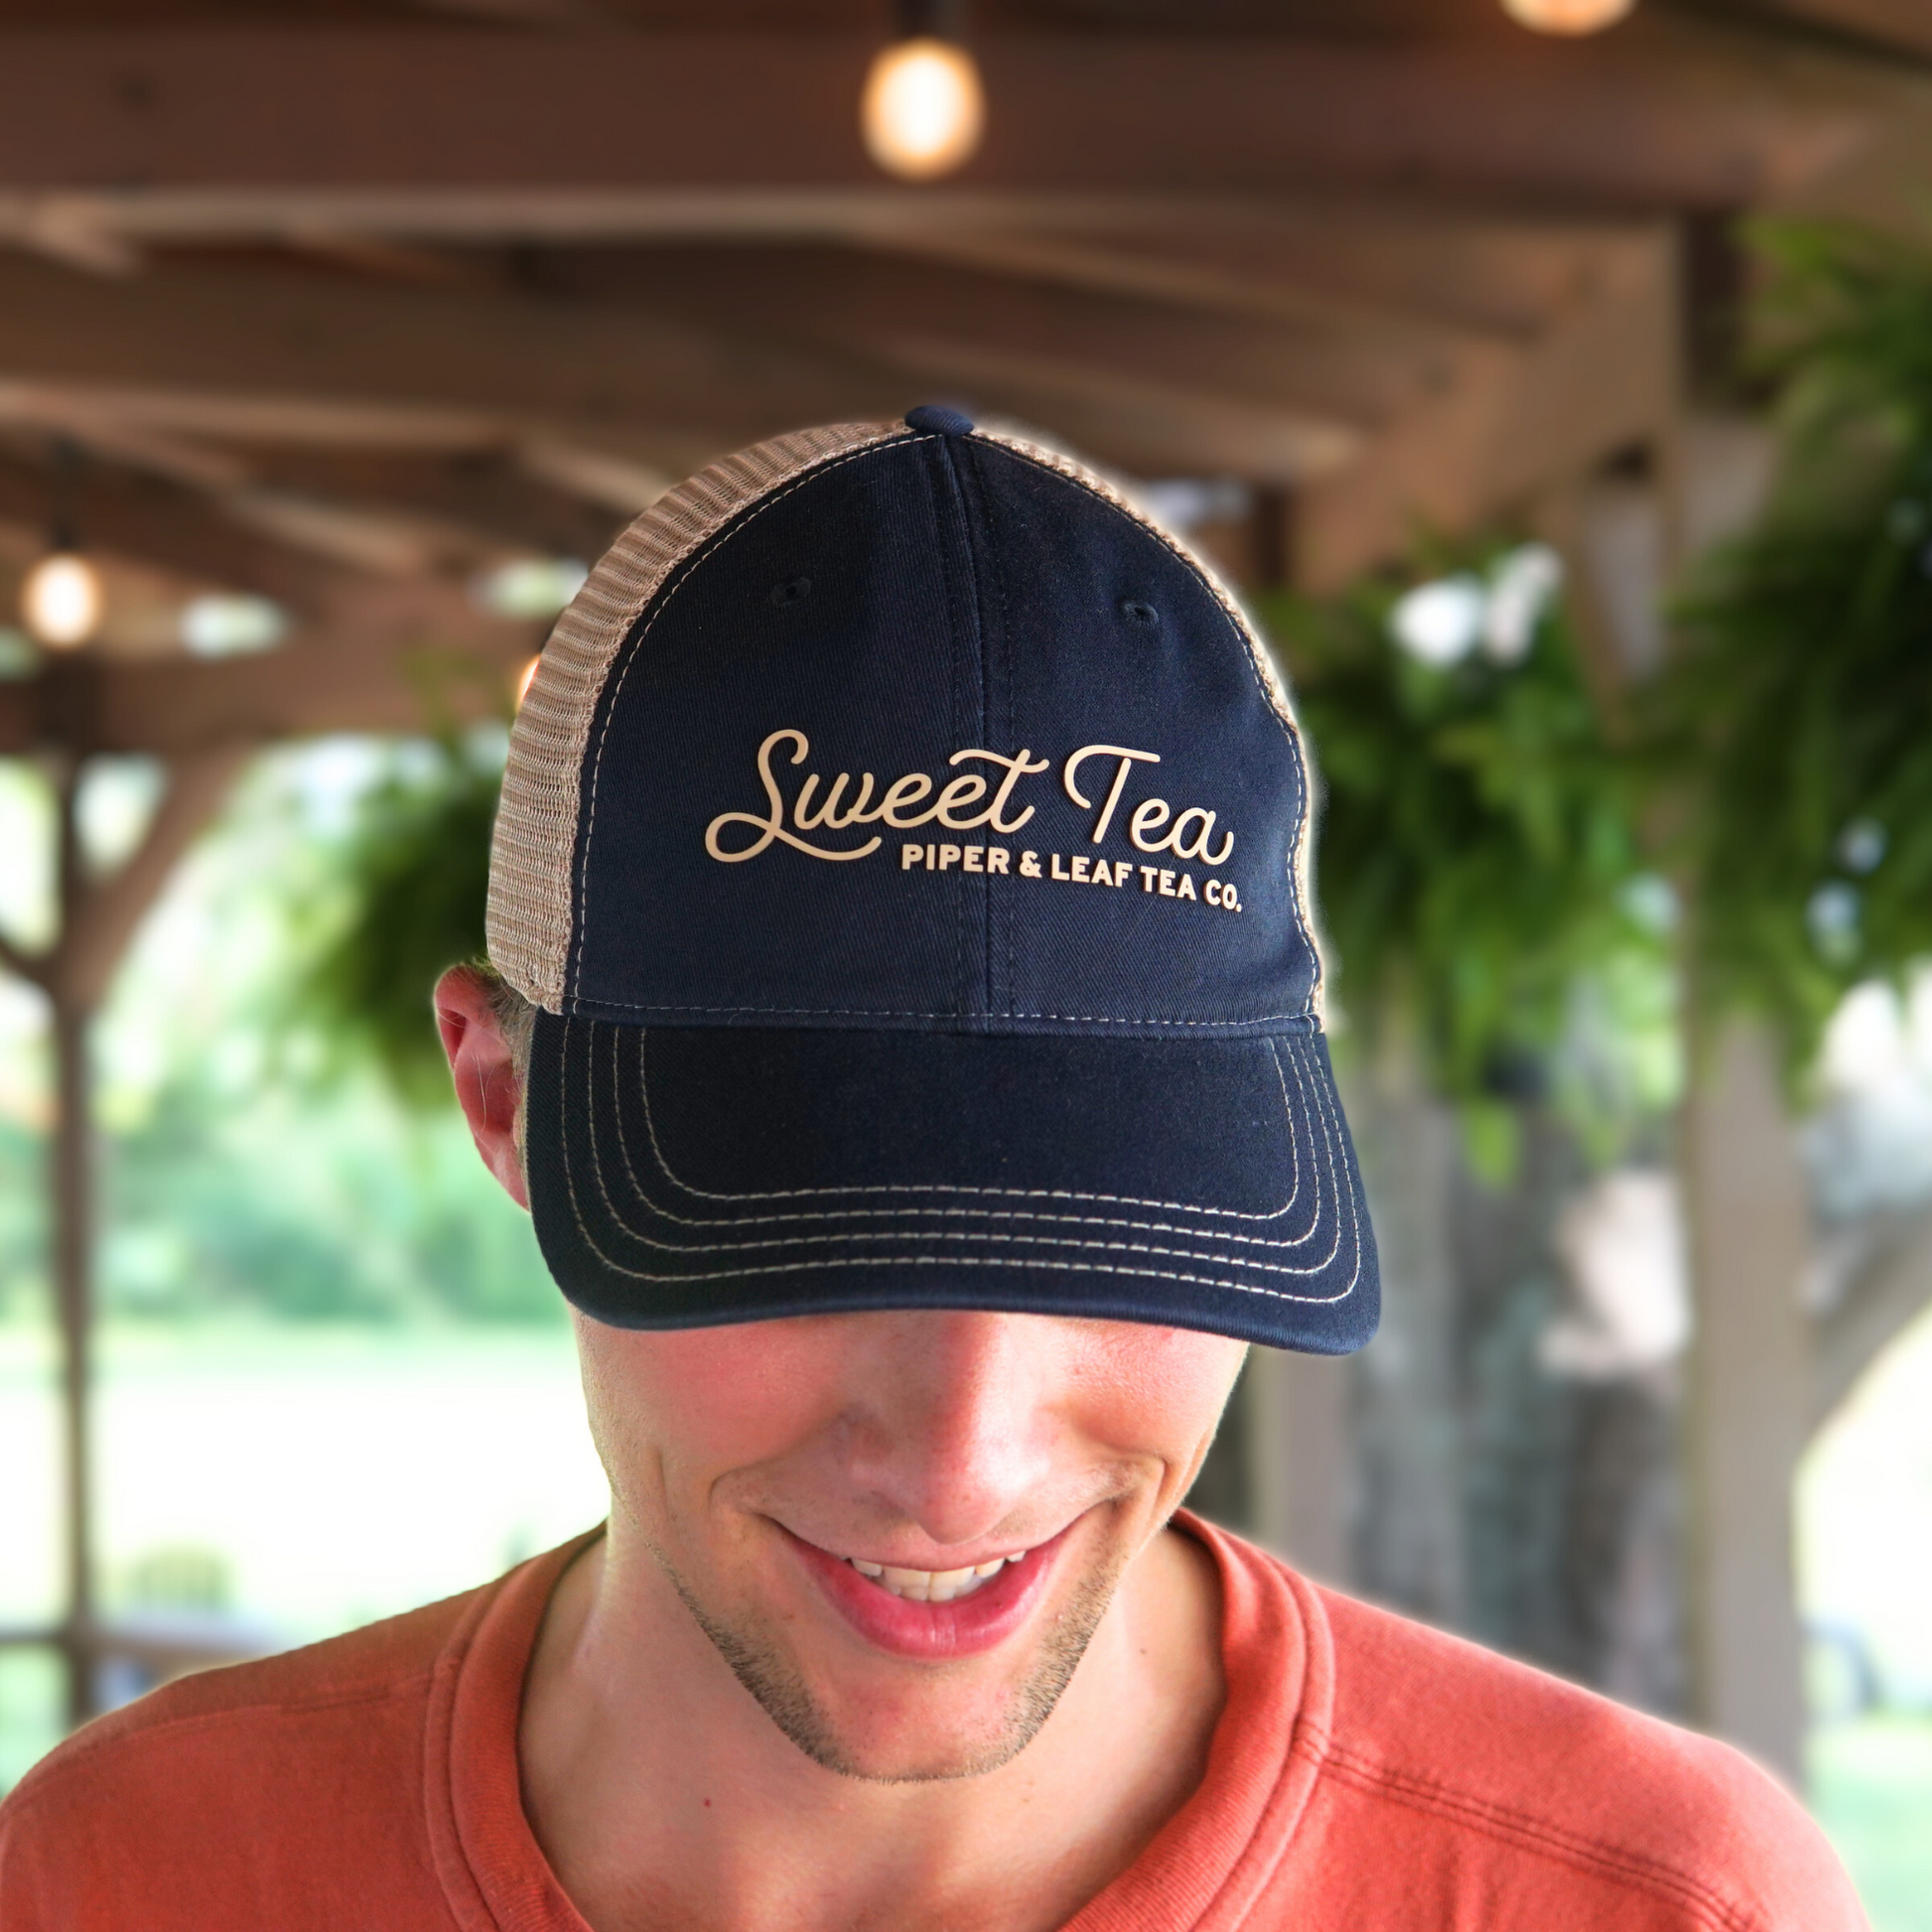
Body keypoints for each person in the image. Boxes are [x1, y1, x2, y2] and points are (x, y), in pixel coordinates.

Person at [0, 408, 1862, 1930]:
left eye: (1115, 1235)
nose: (964, 1451)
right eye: (811, 1228)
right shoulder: (130, 1876)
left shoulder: (1659, 1903)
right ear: (501, 1102)